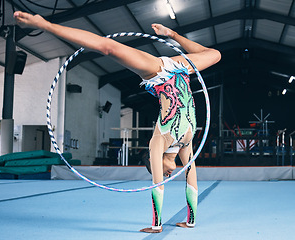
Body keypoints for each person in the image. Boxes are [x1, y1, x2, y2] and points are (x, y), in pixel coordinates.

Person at [14, 11, 221, 233]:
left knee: (108, 48)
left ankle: (45, 24)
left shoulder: (158, 141)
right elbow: (191, 179)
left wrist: (156, 226)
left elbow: (156, 185)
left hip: (157, 71)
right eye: (166, 173)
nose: (168, 175)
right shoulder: (184, 144)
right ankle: (171, 33)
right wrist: (191, 220)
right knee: (215, 54)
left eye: (161, 171)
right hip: (181, 71)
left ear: (155, 162)